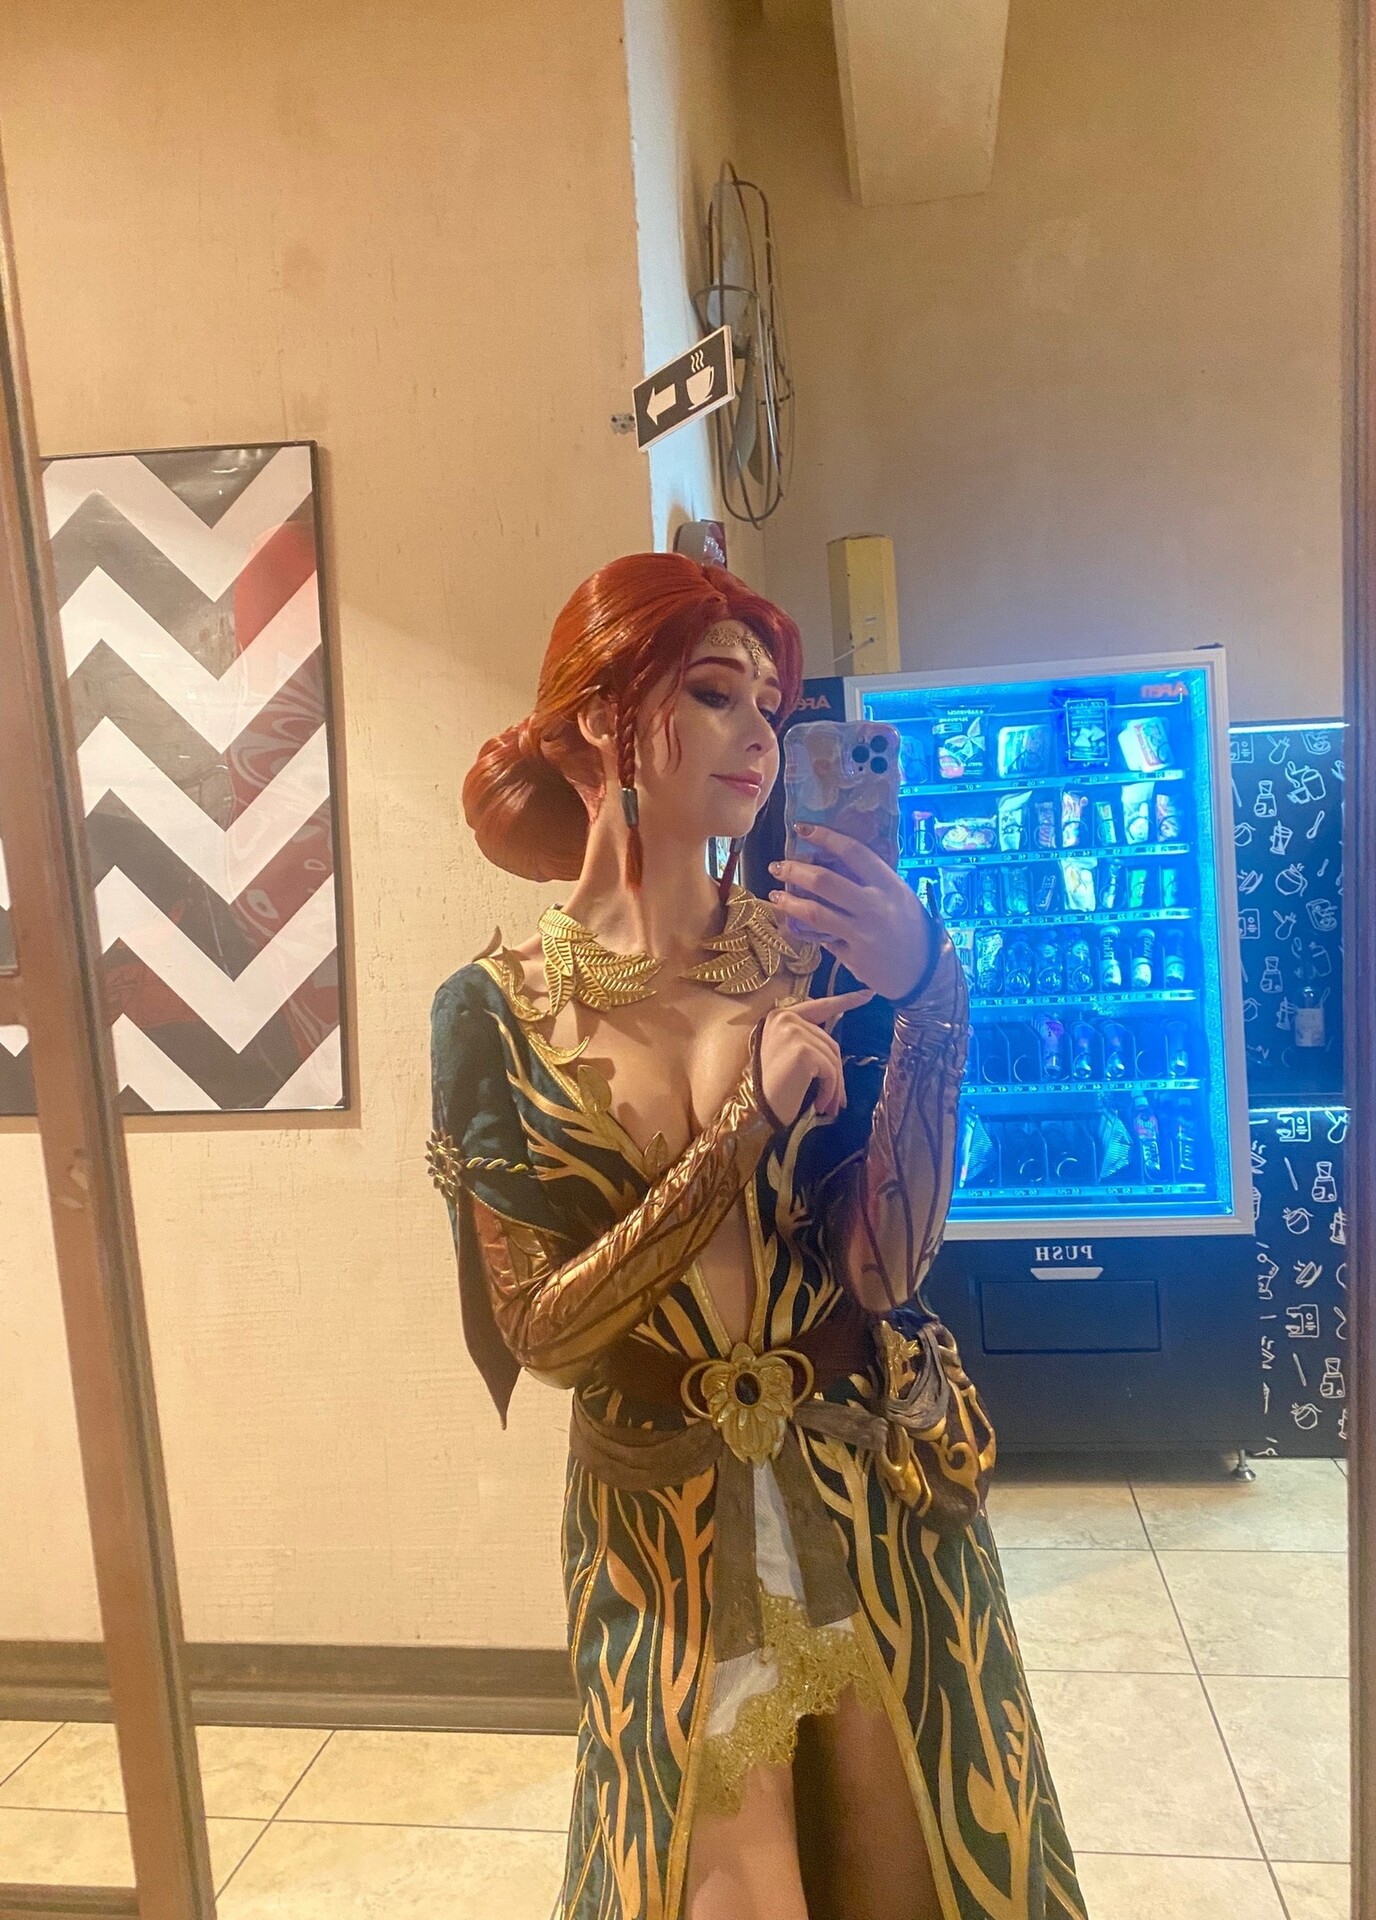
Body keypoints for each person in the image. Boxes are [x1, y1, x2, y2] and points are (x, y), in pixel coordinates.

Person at [429, 553, 1086, 1920]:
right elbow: (540, 1332)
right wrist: (743, 1126)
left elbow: (888, 1269)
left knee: (912, 1871)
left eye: (771, 709)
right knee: (719, 1880)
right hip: (658, 1523)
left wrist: (930, 998)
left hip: (863, 1481)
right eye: (714, 694)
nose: (759, 737)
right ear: (603, 716)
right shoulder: (493, 1011)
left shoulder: (817, 957)